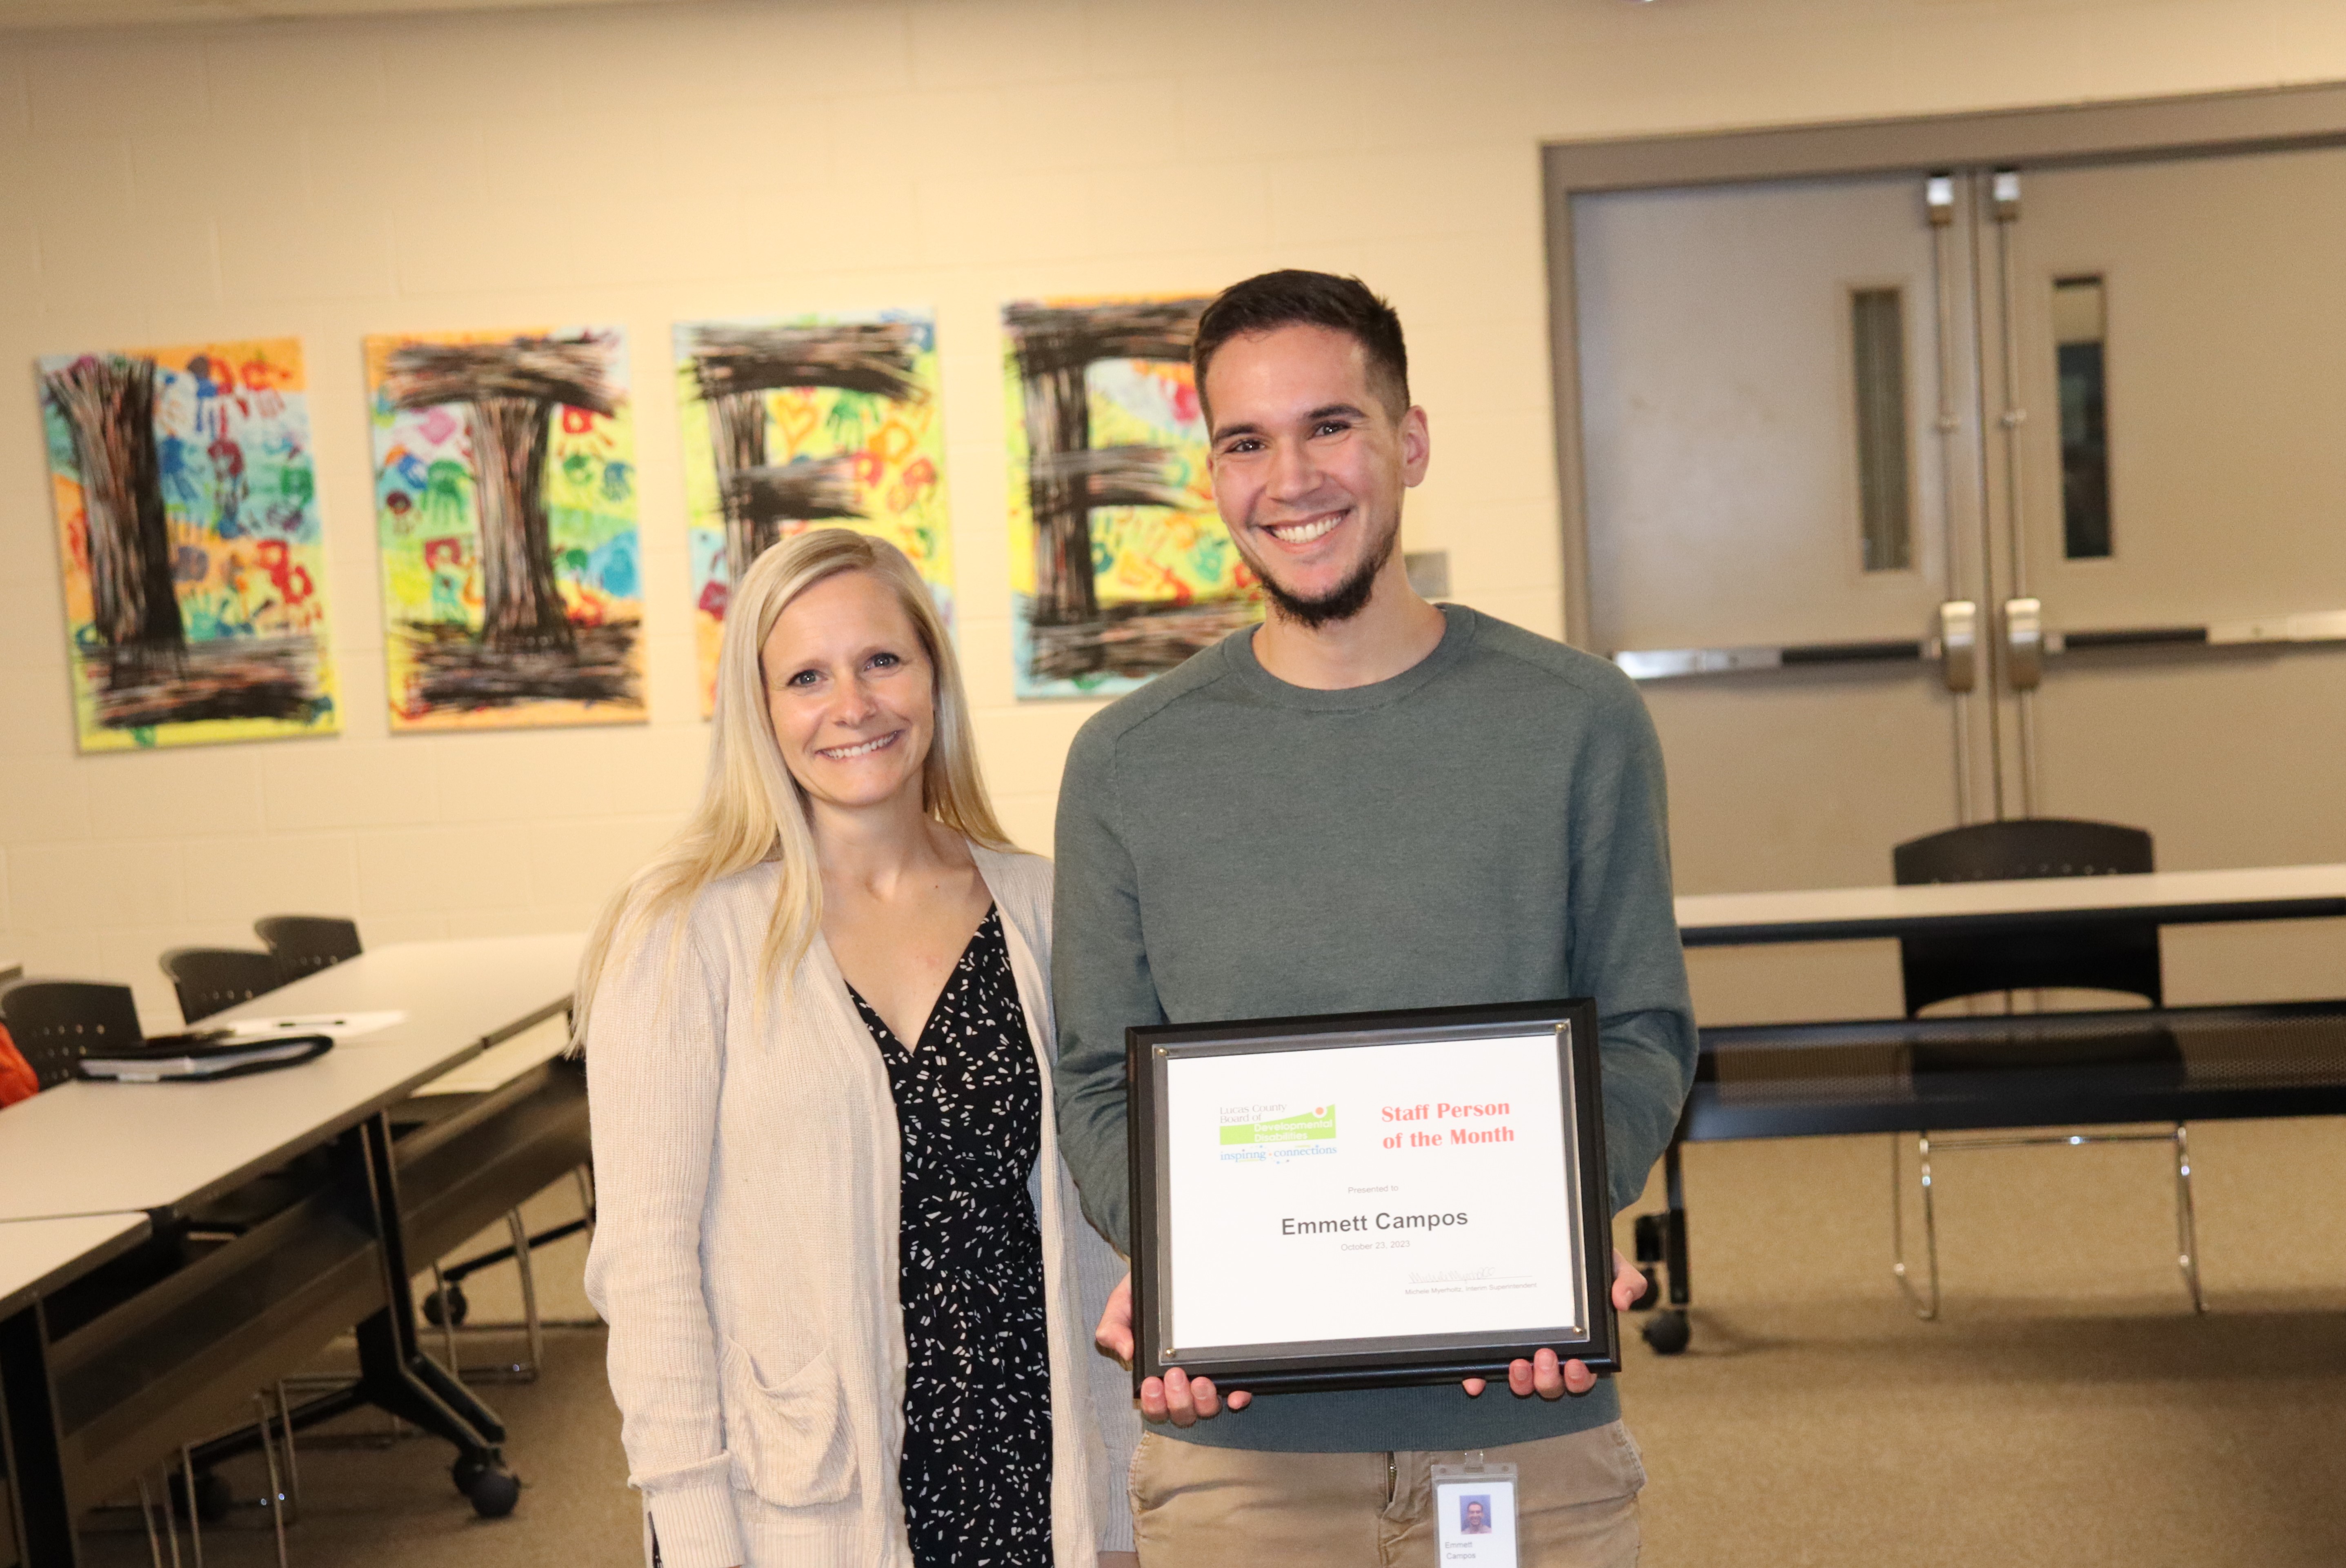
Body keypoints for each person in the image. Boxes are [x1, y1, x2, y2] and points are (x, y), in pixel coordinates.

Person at [1052, 271, 1697, 1566]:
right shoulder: (1128, 761)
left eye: (1329, 426)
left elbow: (1640, 1033)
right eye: (1246, 440)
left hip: (1526, 1434)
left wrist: (1558, 1230)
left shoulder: (1576, 722)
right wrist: (1184, 1273)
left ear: (1406, 440)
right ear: (1214, 471)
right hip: (1239, 1458)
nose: (1290, 477)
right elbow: (1096, 1085)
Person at [579, 529, 1139, 1568]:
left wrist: (1114, 1510)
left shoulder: (1044, 910)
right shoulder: (682, 936)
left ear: (933, 672)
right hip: (800, 1505)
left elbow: (1091, 1228)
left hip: (1024, 1478)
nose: (854, 704)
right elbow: (647, 1267)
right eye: (806, 675)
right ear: (759, 710)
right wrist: (696, 1534)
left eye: (883, 659)